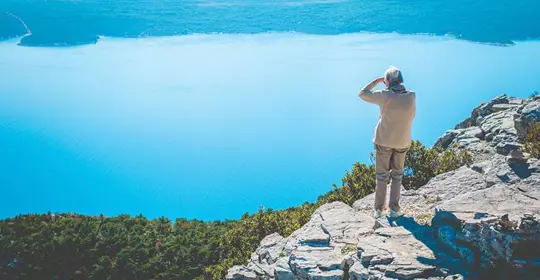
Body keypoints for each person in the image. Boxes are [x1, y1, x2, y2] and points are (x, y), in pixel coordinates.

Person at [357, 66, 416, 219]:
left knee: (382, 176)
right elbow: (412, 116)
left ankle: (378, 210)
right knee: (397, 176)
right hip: (402, 141)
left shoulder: (384, 95)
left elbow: (362, 93)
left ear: (387, 81)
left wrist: (376, 81)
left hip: (383, 140)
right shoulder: (411, 96)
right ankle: (394, 209)